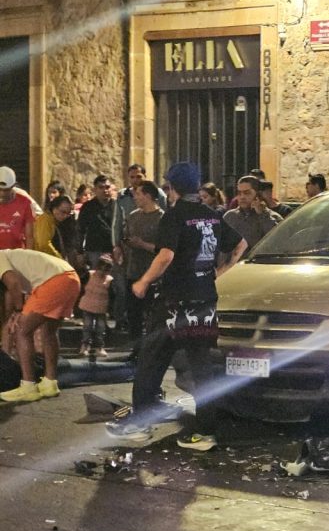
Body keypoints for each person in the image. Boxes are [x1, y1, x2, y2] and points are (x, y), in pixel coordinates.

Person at [106, 161, 246, 449]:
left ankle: (140, 424)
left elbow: (166, 256)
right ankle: (205, 433)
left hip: (175, 302)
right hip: (204, 300)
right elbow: (240, 245)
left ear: (172, 188)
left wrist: (143, 281)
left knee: (150, 359)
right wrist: (218, 273)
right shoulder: (212, 215)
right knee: (201, 365)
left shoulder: (175, 215)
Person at [0, 248, 81, 403]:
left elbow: (14, 284)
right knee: (48, 331)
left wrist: (18, 311)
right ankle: (50, 382)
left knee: (22, 330)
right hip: (70, 278)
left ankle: (28, 386)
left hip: (53, 281)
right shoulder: (9, 256)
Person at [123, 180, 163, 354]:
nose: (135, 197)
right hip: (133, 271)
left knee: (153, 315)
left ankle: (153, 351)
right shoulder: (133, 216)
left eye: (138, 194)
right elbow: (125, 236)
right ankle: (137, 349)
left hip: (153, 274)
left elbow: (164, 249)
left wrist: (143, 244)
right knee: (134, 314)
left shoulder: (162, 218)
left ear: (148, 195)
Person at [224, 175, 282, 249]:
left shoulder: (273, 217)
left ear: (258, 195)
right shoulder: (229, 217)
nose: (242, 197)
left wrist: (262, 214)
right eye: (239, 193)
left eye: (247, 193)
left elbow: (278, 240)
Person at [78, 174, 119, 270]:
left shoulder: (117, 206)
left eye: (107, 187)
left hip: (113, 251)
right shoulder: (88, 207)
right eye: (101, 187)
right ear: (95, 189)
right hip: (94, 251)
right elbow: (80, 230)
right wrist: (80, 252)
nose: (105, 190)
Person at [78, 254, 113, 357]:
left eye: (106, 270)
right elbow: (80, 284)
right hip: (88, 305)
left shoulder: (109, 280)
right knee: (87, 326)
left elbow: (112, 295)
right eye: (101, 268)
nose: (102, 271)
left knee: (100, 328)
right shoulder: (89, 275)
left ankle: (99, 347)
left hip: (101, 307)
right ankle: (85, 345)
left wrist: (110, 309)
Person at [33, 194, 79, 263]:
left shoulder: (56, 221)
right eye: (63, 212)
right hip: (43, 260)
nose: (65, 216)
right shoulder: (45, 220)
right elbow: (44, 244)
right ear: (54, 208)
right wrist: (58, 258)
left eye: (68, 213)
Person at [0, 166, 35, 249]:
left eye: (6, 190)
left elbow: (30, 236)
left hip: (17, 253)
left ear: (14, 186)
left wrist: (28, 254)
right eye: (0, 189)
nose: (2, 193)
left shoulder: (25, 203)